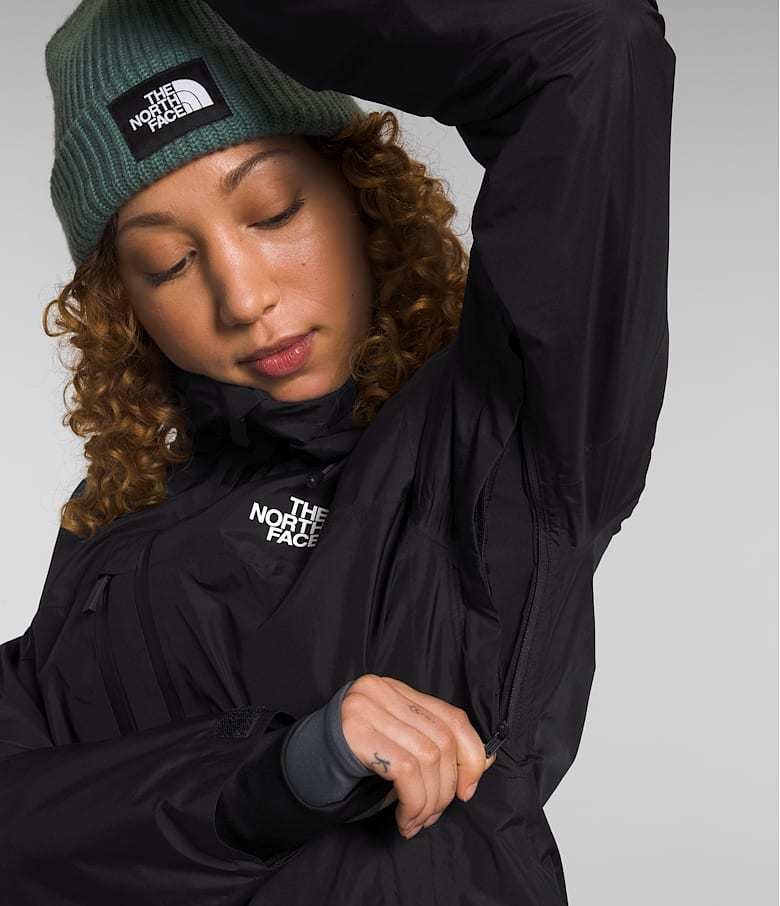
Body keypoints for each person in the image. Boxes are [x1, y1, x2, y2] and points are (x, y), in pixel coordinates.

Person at [0, 0, 675, 903]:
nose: (243, 297)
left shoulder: (499, 442)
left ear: (362, 195)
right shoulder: (118, 517)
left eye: (273, 212)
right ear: (123, 303)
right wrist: (277, 775)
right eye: (168, 262)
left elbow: (592, 48)